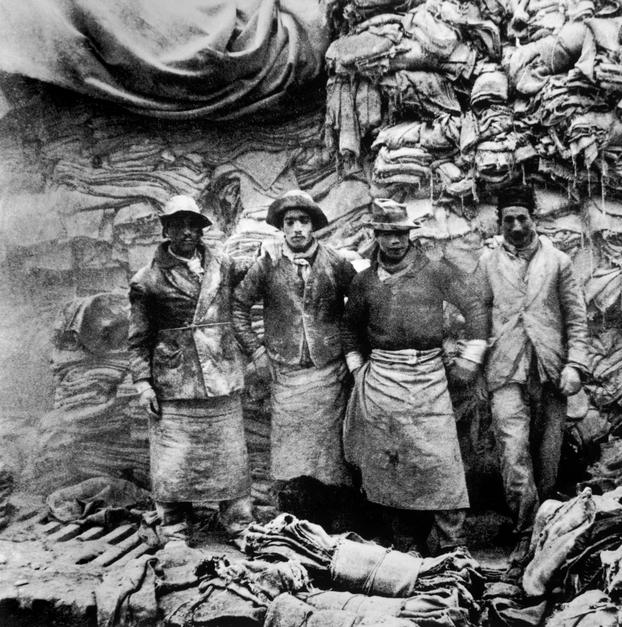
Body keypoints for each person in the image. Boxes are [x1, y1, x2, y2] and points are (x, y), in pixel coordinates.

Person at [342, 198, 488, 554]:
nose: (395, 241)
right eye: (387, 233)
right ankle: (405, 543)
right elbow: (349, 329)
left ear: (410, 235)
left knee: (441, 460)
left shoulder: (435, 271)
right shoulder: (364, 282)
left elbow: (474, 306)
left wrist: (470, 359)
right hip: (382, 380)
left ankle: (452, 545)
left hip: (429, 377)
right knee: (390, 463)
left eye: (401, 233)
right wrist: (358, 370)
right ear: (376, 235)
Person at [474, 185, 589, 577]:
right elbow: (475, 316)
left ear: (533, 219)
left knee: (548, 458)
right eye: (508, 220)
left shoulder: (558, 262)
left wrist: (575, 365)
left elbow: (577, 319)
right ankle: (525, 532)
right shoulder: (486, 263)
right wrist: (475, 363)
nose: (516, 226)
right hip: (505, 369)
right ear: (499, 222)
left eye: (522, 218)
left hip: (550, 371)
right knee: (513, 452)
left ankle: (548, 530)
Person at [128, 195, 253, 545]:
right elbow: (138, 340)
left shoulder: (223, 264)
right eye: (178, 225)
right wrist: (143, 385)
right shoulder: (147, 280)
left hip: (221, 373)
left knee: (230, 455)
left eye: (193, 225)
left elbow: (257, 268)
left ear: (201, 230)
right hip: (175, 380)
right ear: (166, 230)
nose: (186, 232)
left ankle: (239, 523)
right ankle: (174, 527)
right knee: (174, 460)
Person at [232, 190, 358, 530]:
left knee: (331, 454)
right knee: (291, 454)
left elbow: (361, 303)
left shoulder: (335, 262)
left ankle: (336, 524)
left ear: (313, 225)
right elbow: (238, 307)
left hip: (329, 373)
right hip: (285, 375)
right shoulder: (268, 264)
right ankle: (298, 522)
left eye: (304, 221)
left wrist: (351, 352)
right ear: (281, 227)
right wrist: (257, 351)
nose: (297, 228)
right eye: (290, 222)